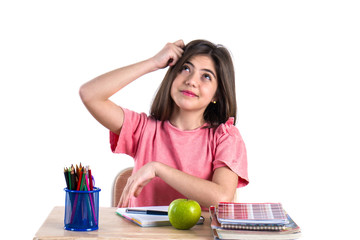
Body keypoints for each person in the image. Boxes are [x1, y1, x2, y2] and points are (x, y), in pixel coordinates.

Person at [79, 39, 249, 208]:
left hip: (199, 236)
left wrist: (158, 169)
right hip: (144, 236)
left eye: (206, 76)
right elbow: (89, 94)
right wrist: (153, 63)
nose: (191, 81)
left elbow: (222, 197)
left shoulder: (226, 137)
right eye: (185, 68)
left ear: (216, 95)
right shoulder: (143, 129)